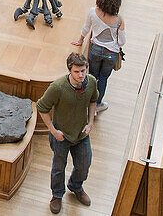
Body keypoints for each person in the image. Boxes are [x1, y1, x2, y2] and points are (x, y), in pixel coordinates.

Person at [36, 52, 97, 213]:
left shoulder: (91, 82)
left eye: (83, 70)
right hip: (61, 136)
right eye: (76, 71)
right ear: (69, 70)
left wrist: (90, 122)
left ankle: (75, 186)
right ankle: (57, 195)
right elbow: (41, 107)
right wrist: (53, 131)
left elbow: (92, 100)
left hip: (81, 134)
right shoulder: (57, 87)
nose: (81, 75)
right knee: (58, 168)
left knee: (84, 164)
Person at [71, 0, 125, 115]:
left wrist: (80, 40)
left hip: (95, 50)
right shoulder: (119, 20)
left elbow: (86, 28)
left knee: (91, 77)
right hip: (111, 54)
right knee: (103, 78)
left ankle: (86, 104)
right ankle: (97, 105)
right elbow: (122, 41)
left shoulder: (93, 12)